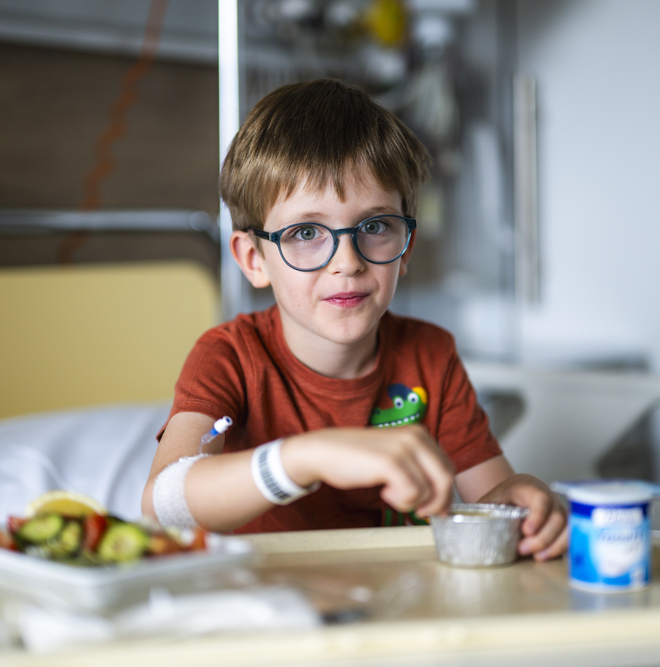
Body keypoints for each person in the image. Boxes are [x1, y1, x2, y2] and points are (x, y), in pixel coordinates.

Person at [141, 78, 567, 561]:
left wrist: (522, 501)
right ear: (253, 258)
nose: (348, 261)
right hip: (272, 606)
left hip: (404, 604)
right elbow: (164, 506)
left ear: (405, 247)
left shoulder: (430, 355)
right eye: (306, 232)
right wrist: (308, 456)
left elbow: (491, 498)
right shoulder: (230, 358)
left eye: (374, 226)